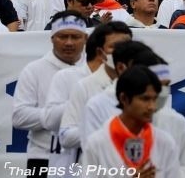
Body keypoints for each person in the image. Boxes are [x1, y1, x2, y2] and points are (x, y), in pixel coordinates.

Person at [43, 22, 132, 173]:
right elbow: (66, 136)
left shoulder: (137, 85)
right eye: (114, 47)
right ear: (101, 52)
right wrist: (107, 132)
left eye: (127, 47)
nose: (121, 52)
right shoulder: (83, 85)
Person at [12, 11, 88, 178]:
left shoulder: (93, 70)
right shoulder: (34, 70)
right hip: (42, 157)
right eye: (62, 36)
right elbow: (19, 116)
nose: (69, 42)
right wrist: (59, 114)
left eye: (75, 37)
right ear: (52, 38)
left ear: (85, 39)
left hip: (85, 158)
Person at [82, 65, 182, 177]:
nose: (152, 107)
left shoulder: (165, 142)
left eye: (154, 99)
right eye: (145, 99)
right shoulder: (96, 143)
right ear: (123, 98)